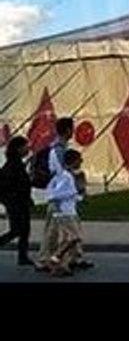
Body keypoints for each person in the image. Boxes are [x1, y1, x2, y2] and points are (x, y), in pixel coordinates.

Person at [35, 116, 74, 272]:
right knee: (55, 230)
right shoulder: (58, 149)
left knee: (57, 229)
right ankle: (47, 260)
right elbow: (59, 172)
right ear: (68, 130)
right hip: (59, 195)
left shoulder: (59, 147)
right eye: (72, 128)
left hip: (60, 195)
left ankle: (66, 259)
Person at [45, 149, 86, 277]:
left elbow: (70, 194)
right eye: (79, 160)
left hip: (69, 211)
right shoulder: (65, 176)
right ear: (73, 161)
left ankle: (61, 265)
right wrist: (75, 191)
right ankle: (55, 258)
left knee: (68, 238)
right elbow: (54, 194)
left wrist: (79, 195)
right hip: (64, 213)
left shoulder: (67, 175)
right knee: (74, 237)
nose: (81, 162)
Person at [0, 136, 34, 266]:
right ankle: (22, 256)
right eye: (25, 146)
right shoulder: (13, 165)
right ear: (18, 148)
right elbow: (16, 184)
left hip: (19, 202)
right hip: (17, 203)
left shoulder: (16, 163)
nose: (27, 149)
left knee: (23, 230)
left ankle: (23, 257)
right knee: (18, 230)